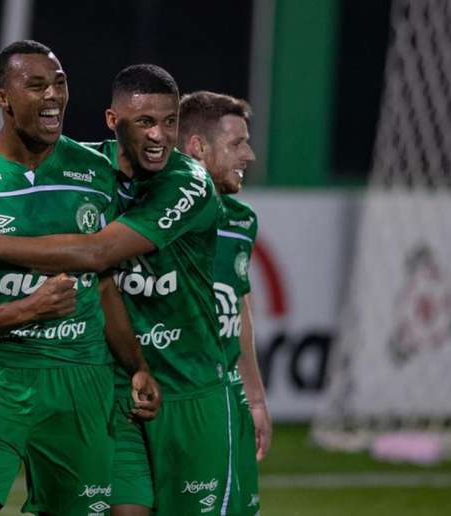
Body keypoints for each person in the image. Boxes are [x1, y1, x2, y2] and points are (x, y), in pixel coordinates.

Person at [0, 64, 240, 515]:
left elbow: (97, 257)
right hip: (87, 378)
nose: (159, 136)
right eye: (145, 122)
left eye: (169, 122)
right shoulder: (89, 167)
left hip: (185, 382)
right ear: (115, 123)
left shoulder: (187, 183)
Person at [177, 90, 271, 515]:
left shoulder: (241, 219)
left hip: (227, 395)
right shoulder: (146, 214)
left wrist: (254, 398)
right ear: (197, 147)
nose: (249, 155)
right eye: (237, 143)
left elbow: (238, 308)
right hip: (177, 394)